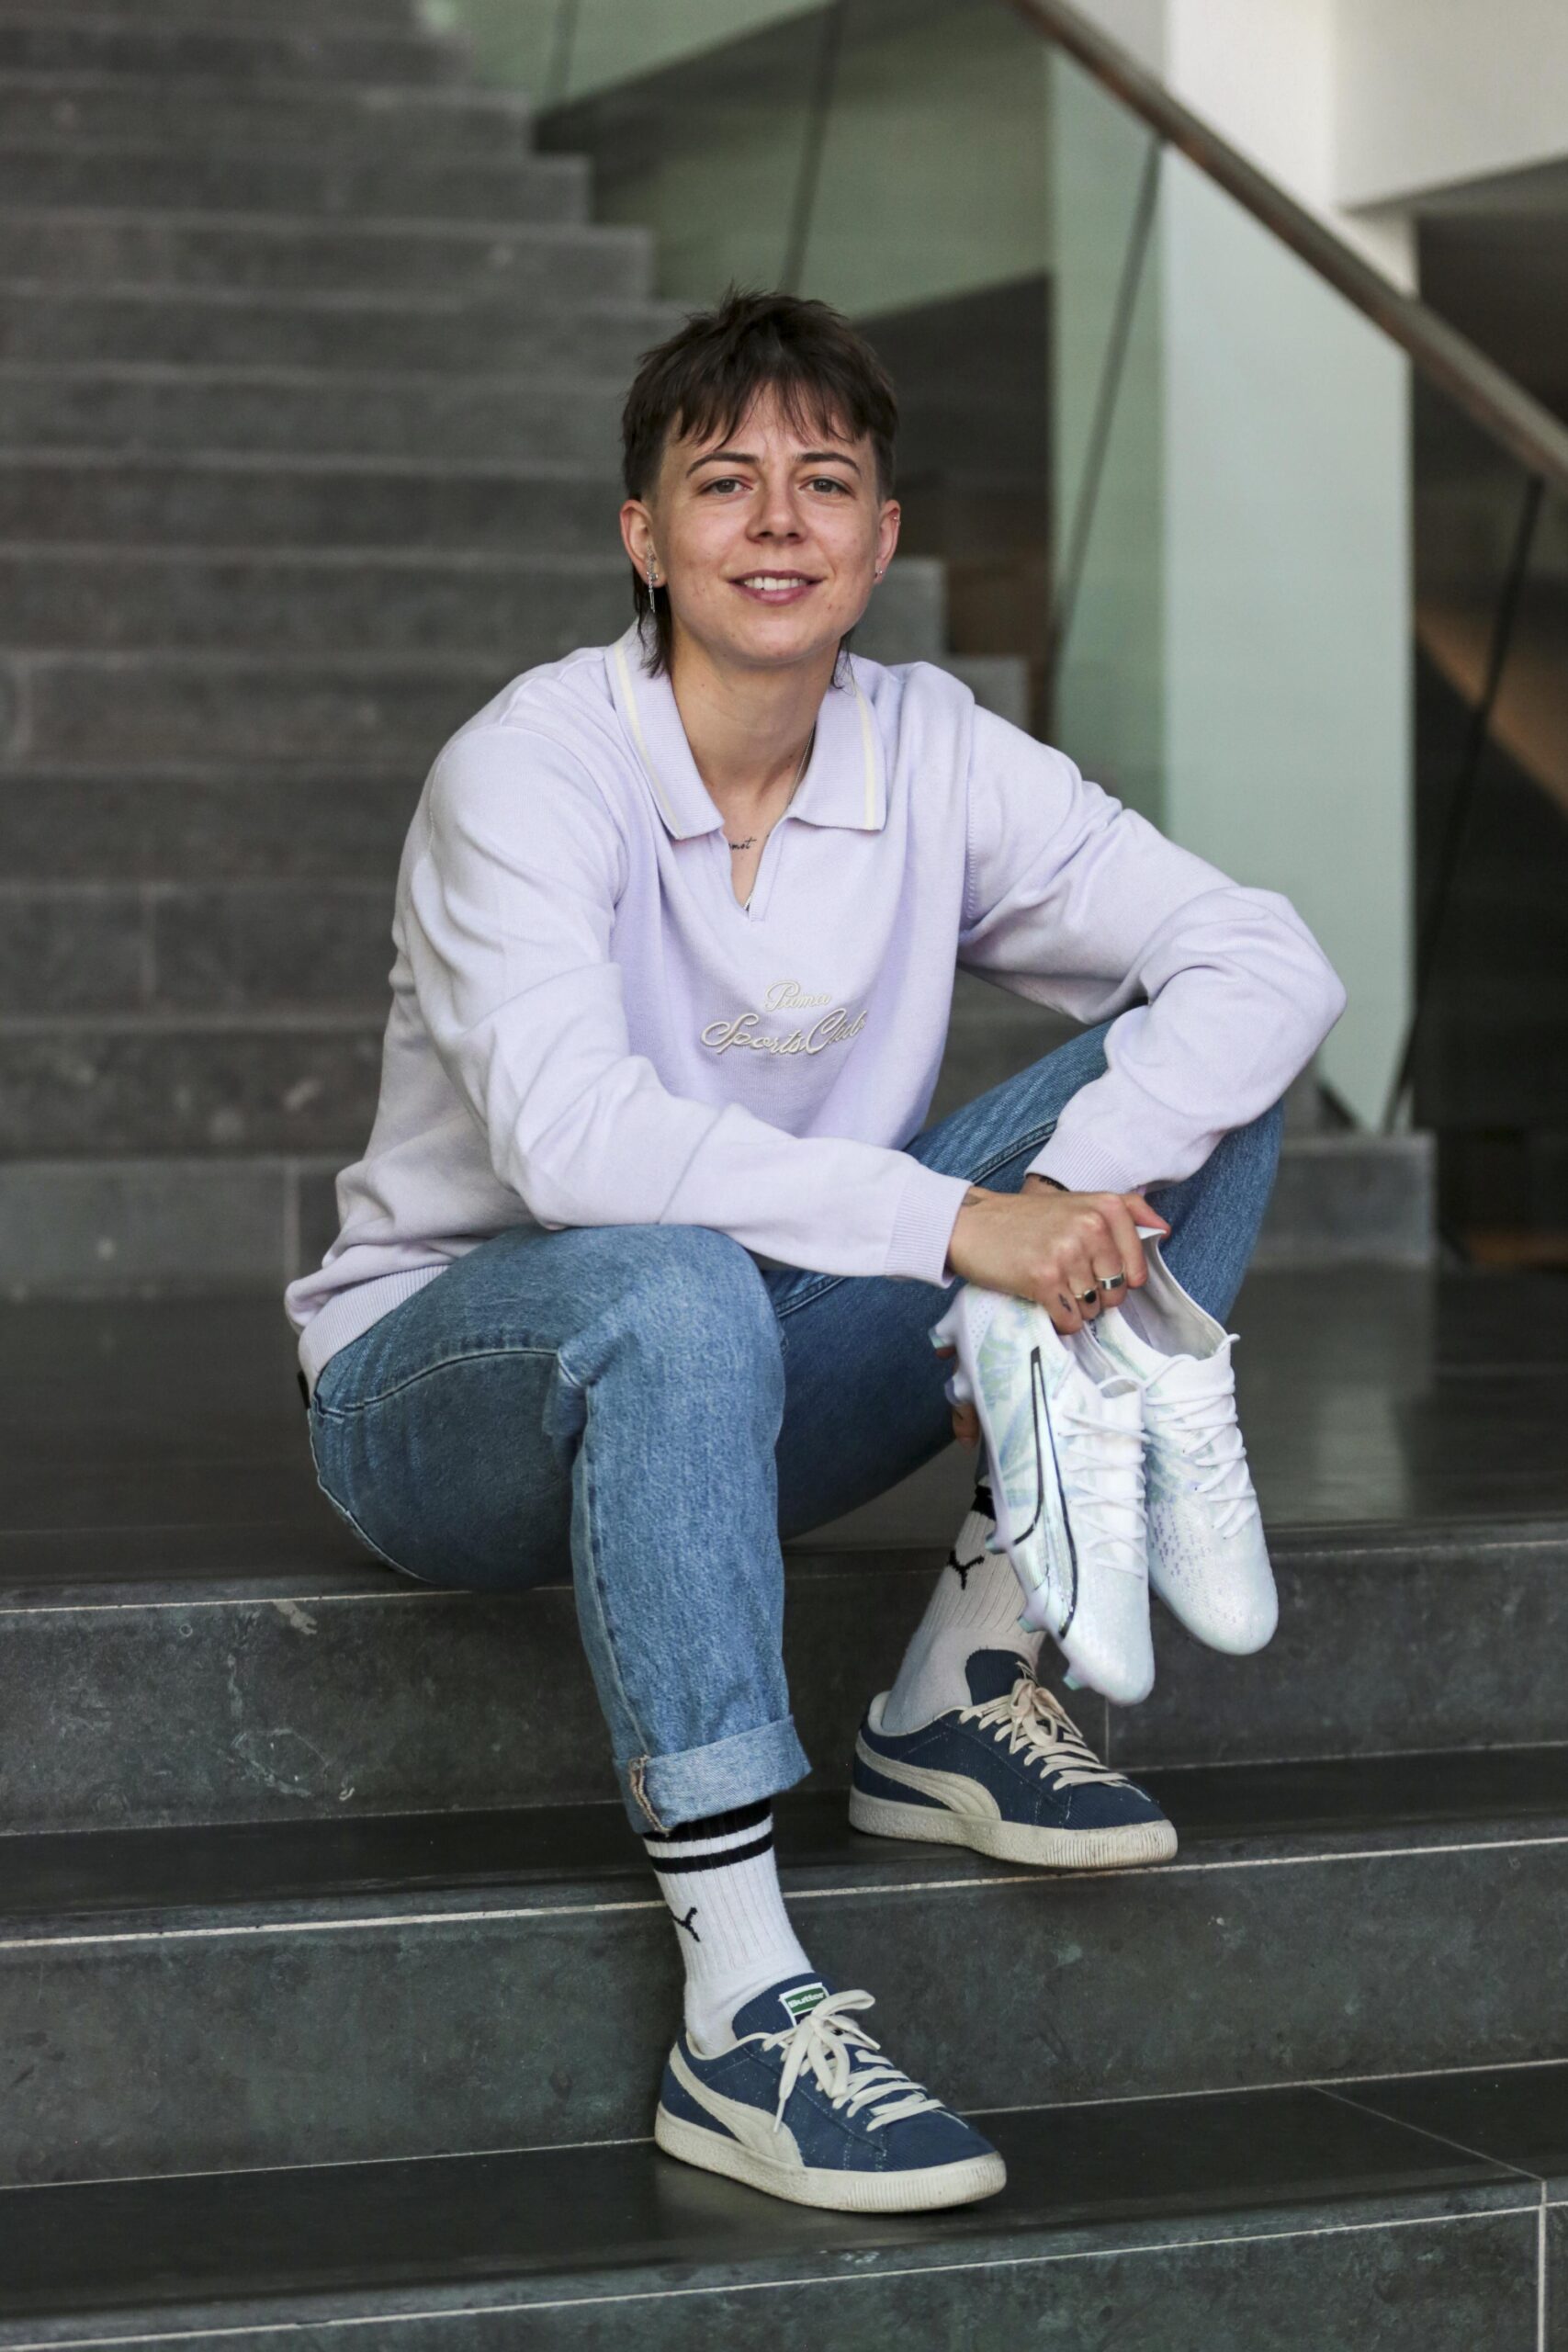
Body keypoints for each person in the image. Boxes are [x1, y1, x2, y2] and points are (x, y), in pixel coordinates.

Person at [286, 286, 1346, 2214]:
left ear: (878, 539)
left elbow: (1264, 958)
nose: (776, 521)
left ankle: (961, 1678)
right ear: (644, 535)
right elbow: (578, 1145)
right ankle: (742, 2007)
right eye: (724, 482)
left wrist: (1066, 1205)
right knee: (673, 1280)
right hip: (451, 1392)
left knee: (1212, 1078)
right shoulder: (530, 768)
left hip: (762, 1369)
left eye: (824, 482)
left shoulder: (927, 749)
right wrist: (967, 1227)